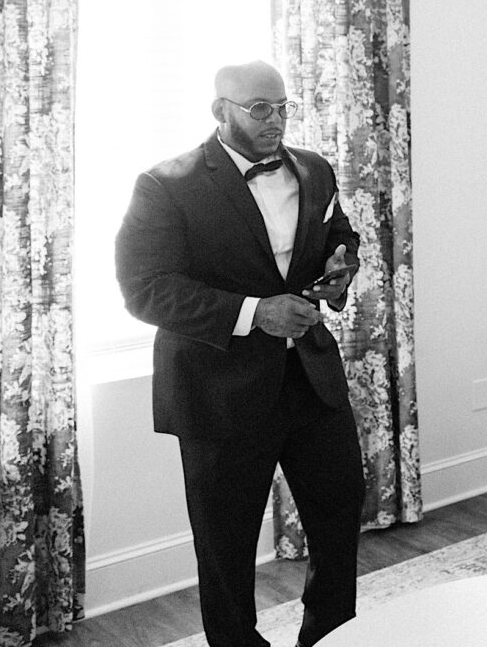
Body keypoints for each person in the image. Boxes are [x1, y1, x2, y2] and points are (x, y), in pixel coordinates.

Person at [117, 61, 364, 647]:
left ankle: (329, 636)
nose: (275, 119)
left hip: (310, 379)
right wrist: (255, 312)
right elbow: (145, 288)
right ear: (219, 110)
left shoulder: (314, 169)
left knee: (339, 514)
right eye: (260, 108)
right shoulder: (165, 186)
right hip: (217, 392)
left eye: (282, 106)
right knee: (225, 547)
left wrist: (340, 267)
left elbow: (338, 234)